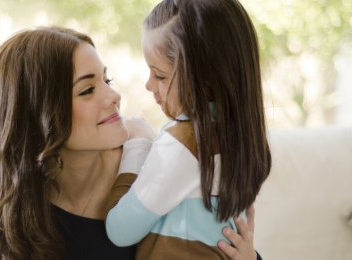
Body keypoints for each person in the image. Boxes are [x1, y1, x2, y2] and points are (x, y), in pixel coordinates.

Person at [0, 26, 257, 260]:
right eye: (87, 90)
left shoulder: (157, 166)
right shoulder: (15, 207)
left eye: (107, 80)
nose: (114, 96)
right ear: (39, 114)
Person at [105, 0, 271, 259]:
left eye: (159, 75)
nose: (149, 85)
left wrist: (139, 144)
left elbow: (119, 229)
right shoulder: (237, 140)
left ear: (205, 78)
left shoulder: (184, 142)